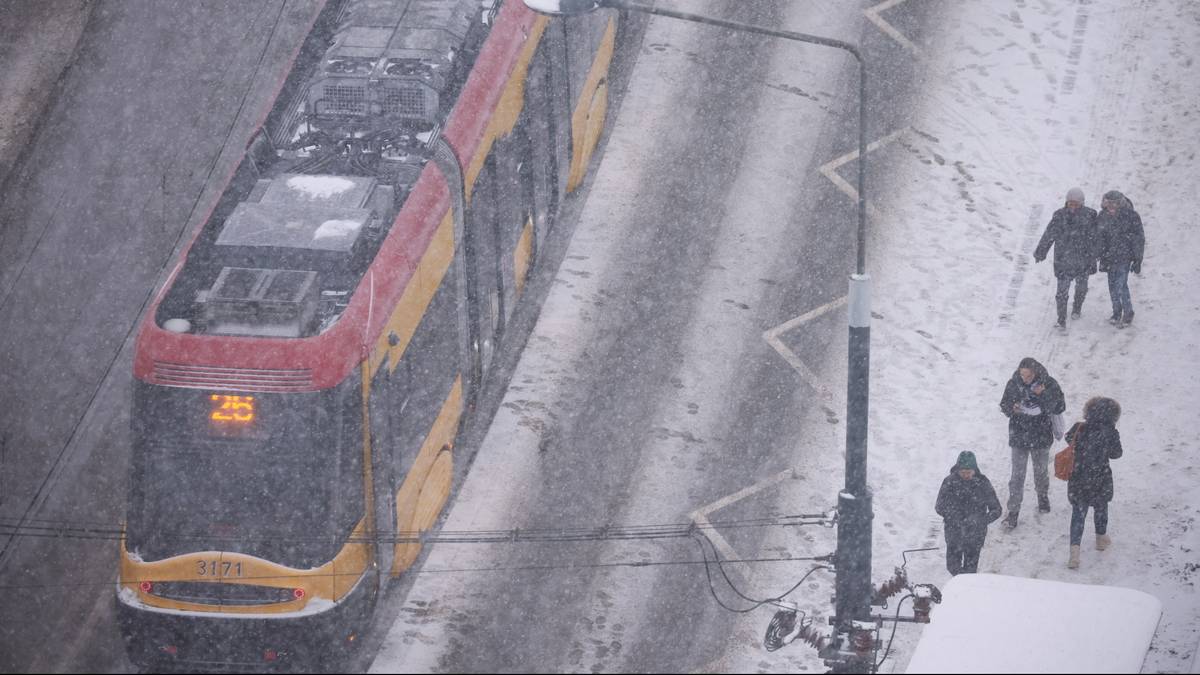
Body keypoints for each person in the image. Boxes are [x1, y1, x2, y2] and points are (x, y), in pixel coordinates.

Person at [998, 356, 1065, 529]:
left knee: (1040, 471)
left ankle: (1042, 496)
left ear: (1035, 373)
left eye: (1027, 376)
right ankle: (1013, 513)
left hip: (1041, 436)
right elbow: (1004, 404)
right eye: (1022, 376)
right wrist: (1012, 407)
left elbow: (1059, 406)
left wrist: (1042, 394)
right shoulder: (1013, 383)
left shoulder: (1048, 383)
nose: (1024, 379)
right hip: (1019, 435)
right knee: (1017, 476)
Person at [1065, 397, 1124, 569]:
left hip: (1079, 475)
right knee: (1101, 507)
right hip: (1101, 476)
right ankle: (1100, 539)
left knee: (1078, 513)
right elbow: (1116, 454)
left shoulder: (1079, 427)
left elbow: (1069, 439)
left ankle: (1074, 552)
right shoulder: (1110, 432)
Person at [1034, 187, 1099, 328]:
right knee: (1061, 293)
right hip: (1063, 260)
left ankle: (1077, 308)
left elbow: (1096, 238)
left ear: (1082, 203)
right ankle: (1061, 319)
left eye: (1076, 204)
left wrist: (1096, 254)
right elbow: (1049, 235)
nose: (1073, 207)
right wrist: (1041, 251)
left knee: (1081, 287)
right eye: (1070, 203)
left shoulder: (1090, 215)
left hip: (1083, 260)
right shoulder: (1059, 216)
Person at [935, 451, 1003, 575]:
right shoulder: (949, 482)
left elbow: (997, 509)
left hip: (975, 535)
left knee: (970, 572)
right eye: (963, 472)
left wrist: (980, 520)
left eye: (969, 472)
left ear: (975, 470)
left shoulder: (983, 483)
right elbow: (939, 506)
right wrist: (952, 516)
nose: (966, 475)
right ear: (958, 470)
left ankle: (965, 591)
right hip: (954, 533)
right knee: (952, 567)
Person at [1096, 190, 1145, 328]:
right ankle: (1116, 312)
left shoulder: (1131, 216)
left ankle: (1128, 312)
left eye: (1114, 203)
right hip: (1109, 257)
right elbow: (1098, 237)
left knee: (1120, 285)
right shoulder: (1102, 217)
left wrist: (1137, 259)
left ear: (1120, 203)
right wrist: (1096, 253)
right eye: (1108, 203)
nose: (1111, 206)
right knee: (1112, 286)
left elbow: (1138, 239)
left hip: (1124, 257)